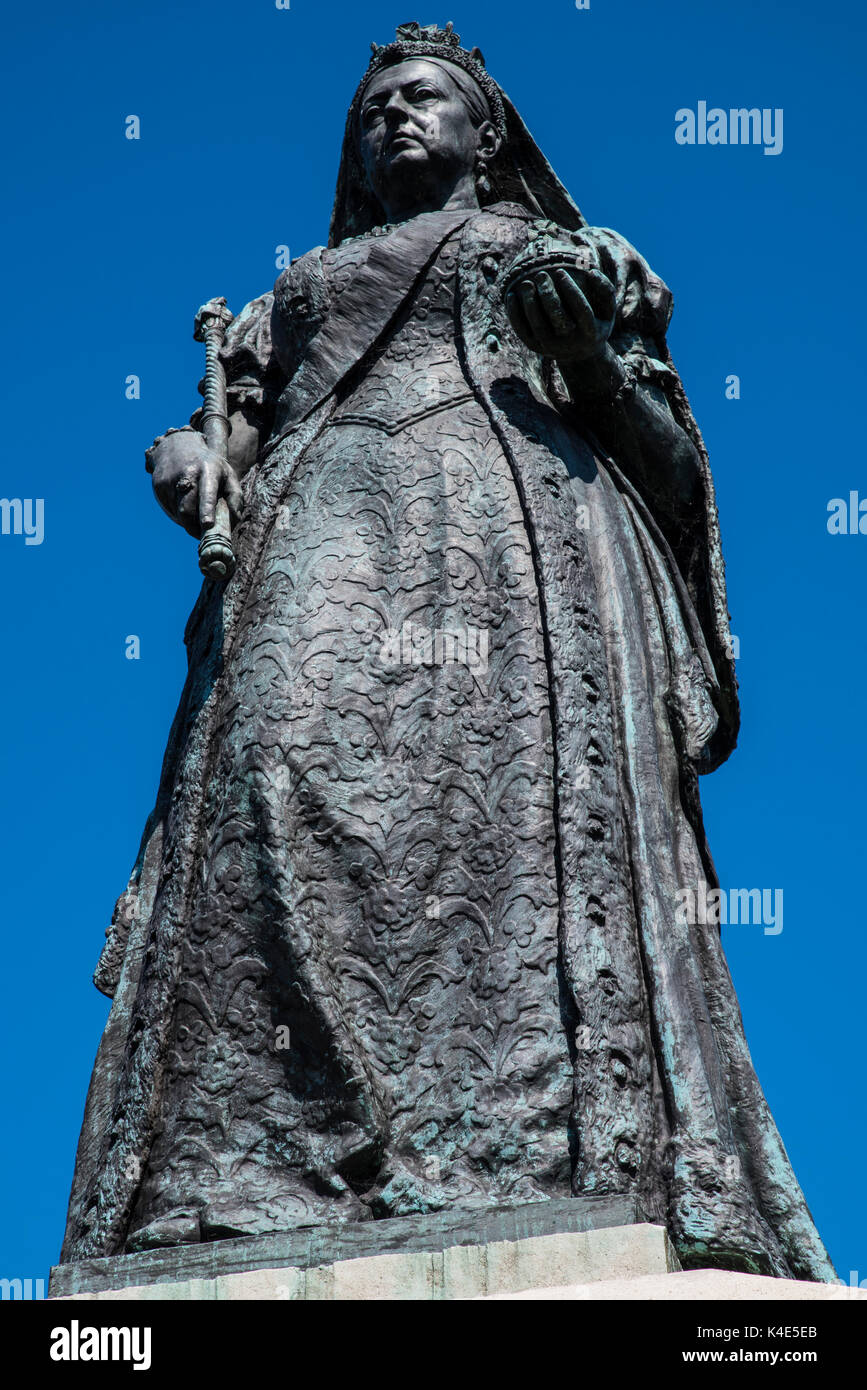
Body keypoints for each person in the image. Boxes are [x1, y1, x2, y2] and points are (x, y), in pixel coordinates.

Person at [60, 23, 834, 1281]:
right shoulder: (292, 296)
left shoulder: (555, 255)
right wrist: (194, 460)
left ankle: (536, 1160)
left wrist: (584, 350)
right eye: (374, 107)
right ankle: (255, 1169)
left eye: (424, 98)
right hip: (322, 532)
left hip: (510, 544)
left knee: (506, 831)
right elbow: (234, 449)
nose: (393, 118)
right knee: (275, 777)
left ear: (488, 132)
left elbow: (672, 463)